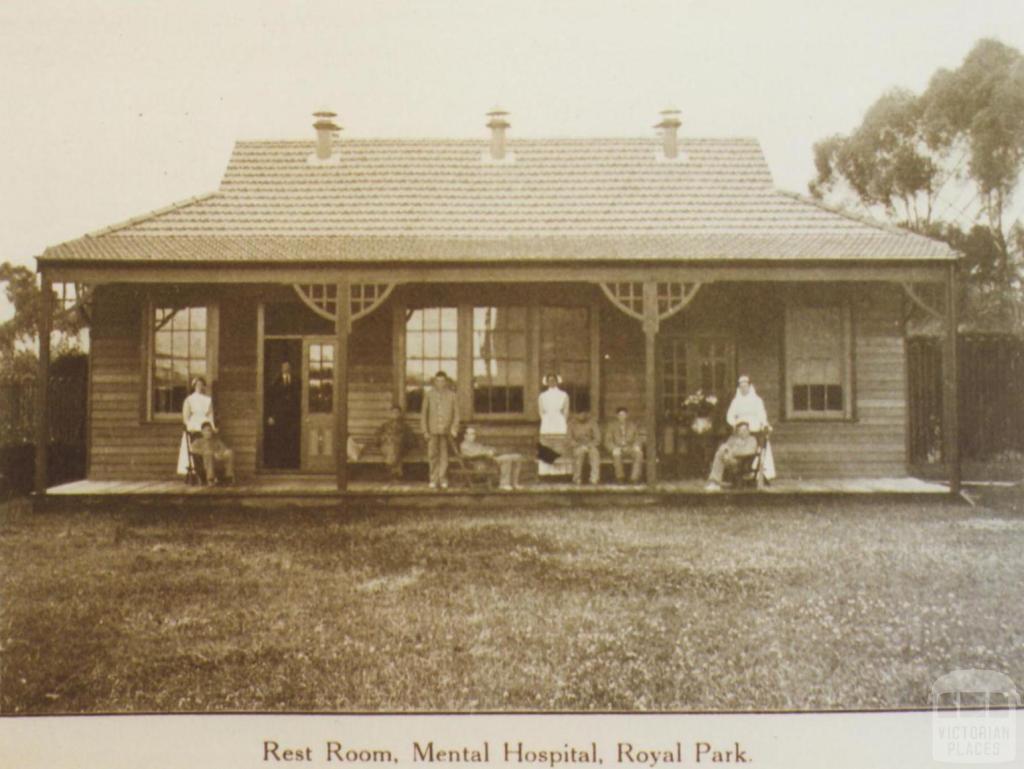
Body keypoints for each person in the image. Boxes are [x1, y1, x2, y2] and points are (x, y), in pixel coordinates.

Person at [725, 375, 775, 481]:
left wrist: (763, 424)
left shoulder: (757, 400)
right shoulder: (736, 401)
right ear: (739, 388)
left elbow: (762, 415)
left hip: (754, 428)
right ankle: (738, 470)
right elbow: (730, 415)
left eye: (746, 386)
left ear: (750, 386)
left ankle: (758, 473)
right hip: (741, 429)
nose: (744, 389)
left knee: (759, 445)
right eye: (741, 387)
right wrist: (734, 423)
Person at [420, 371, 460, 489]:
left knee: (444, 456)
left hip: (446, 431)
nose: (440, 383)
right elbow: (424, 414)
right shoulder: (429, 395)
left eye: (442, 381)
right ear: (434, 381)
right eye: (438, 381)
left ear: (446, 381)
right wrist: (425, 431)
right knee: (432, 455)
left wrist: (454, 428)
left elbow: (456, 414)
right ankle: (433, 479)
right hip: (432, 431)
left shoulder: (452, 395)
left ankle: (443, 479)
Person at [460, 425, 525, 491]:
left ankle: (514, 483)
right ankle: (504, 484)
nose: (473, 436)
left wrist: (491, 449)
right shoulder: (464, 445)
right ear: (465, 435)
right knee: (506, 458)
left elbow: (484, 448)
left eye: (474, 434)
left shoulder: (475, 444)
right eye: (470, 434)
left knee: (517, 457)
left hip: (490, 459)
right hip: (483, 463)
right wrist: (485, 453)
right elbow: (471, 455)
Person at [265, 360, 301, 469]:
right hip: (279, 416)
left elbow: (299, 398)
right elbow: (270, 400)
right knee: (279, 440)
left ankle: (292, 464)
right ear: (281, 369)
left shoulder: (296, 380)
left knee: (292, 439)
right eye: (284, 367)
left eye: (288, 367)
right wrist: (270, 415)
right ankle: (279, 464)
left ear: (290, 368)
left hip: (292, 416)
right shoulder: (276, 381)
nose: (286, 369)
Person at [177, 376, 214, 476]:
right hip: (194, 425)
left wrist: (212, 427)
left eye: (201, 385)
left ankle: (209, 472)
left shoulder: (207, 399)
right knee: (195, 448)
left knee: (208, 446)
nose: (199, 386)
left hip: (205, 425)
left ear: (203, 386)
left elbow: (210, 415)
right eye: (197, 385)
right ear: (193, 386)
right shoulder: (189, 400)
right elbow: (186, 417)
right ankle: (198, 472)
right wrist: (190, 427)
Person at [705, 421, 758, 491]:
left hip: (741, 463)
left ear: (749, 431)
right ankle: (715, 483)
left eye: (745, 430)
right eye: (741, 430)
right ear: (738, 432)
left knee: (720, 453)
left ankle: (715, 482)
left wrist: (732, 452)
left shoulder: (752, 439)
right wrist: (729, 453)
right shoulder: (733, 438)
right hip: (729, 460)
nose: (743, 432)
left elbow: (750, 451)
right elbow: (725, 449)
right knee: (721, 452)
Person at [537, 373, 570, 476]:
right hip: (547, 421)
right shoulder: (542, 395)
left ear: (557, 381)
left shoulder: (563, 395)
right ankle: (546, 472)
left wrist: (562, 420)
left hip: (559, 421)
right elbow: (541, 410)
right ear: (546, 382)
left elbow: (566, 410)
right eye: (549, 380)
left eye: (553, 380)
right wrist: (546, 419)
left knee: (559, 445)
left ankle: (560, 472)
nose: (552, 382)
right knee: (547, 445)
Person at [605, 406, 644, 484]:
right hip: (618, 448)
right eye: (620, 415)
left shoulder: (632, 425)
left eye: (623, 415)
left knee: (639, 454)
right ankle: (620, 477)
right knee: (616, 454)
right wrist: (613, 448)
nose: (622, 417)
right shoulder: (612, 426)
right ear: (617, 416)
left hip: (629, 447)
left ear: (627, 415)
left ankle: (634, 478)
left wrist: (636, 446)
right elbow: (608, 440)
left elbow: (638, 438)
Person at [190, 420, 235, 486]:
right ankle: (210, 479)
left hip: (218, 461)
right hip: (205, 463)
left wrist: (219, 453)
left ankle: (229, 477)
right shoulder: (198, 441)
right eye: (207, 431)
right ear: (202, 432)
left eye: (210, 431)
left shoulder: (216, 441)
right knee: (209, 454)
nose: (209, 433)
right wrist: (205, 452)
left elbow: (224, 449)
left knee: (230, 452)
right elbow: (192, 450)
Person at [567, 410, 601, 485]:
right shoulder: (571, 424)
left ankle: (594, 478)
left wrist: (588, 445)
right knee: (579, 453)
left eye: (583, 413)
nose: (581, 415)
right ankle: (577, 478)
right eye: (579, 413)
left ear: (586, 413)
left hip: (590, 445)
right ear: (576, 414)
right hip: (578, 446)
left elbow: (598, 438)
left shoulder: (592, 423)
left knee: (595, 453)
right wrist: (578, 445)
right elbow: (569, 439)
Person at [377, 405, 410, 480]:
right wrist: (385, 438)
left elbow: (411, 440)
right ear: (390, 414)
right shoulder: (385, 425)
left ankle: (392, 472)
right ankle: (397, 472)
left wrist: (400, 439)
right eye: (393, 412)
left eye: (397, 412)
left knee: (395, 447)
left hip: (400, 448)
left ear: (400, 414)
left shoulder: (404, 426)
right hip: (386, 447)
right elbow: (377, 437)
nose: (395, 414)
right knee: (392, 447)